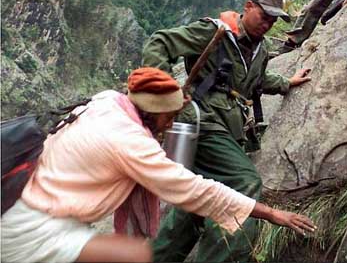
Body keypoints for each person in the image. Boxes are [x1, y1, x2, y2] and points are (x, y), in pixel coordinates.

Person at [0, 67, 315, 263]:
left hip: (20, 207)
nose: (171, 124)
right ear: (157, 113)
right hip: (35, 232)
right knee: (135, 255)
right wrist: (270, 213)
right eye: (171, 117)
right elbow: (195, 189)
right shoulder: (132, 142)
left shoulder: (108, 101)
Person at [141, 0, 312, 262]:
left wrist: (286, 83)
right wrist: (165, 93)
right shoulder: (214, 32)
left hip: (227, 130)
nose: (267, 23)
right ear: (248, 6)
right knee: (243, 182)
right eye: (264, 15)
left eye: (273, 20)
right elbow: (160, 42)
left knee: (195, 204)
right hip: (201, 123)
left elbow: (257, 80)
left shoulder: (261, 49)